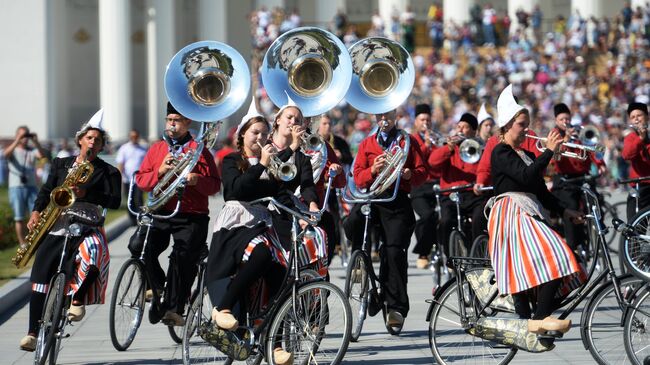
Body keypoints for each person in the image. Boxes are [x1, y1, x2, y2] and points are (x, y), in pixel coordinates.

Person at [206, 98, 320, 365]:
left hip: (260, 223)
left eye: (261, 132)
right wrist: (260, 165)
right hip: (237, 224)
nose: (258, 137)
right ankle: (222, 307)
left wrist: (306, 212)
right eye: (253, 132)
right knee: (260, 254)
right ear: (242, 134)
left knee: (281, 274)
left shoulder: (270, 162)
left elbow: (280, 192)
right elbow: (237, 190)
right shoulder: (232, 160)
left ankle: (276, 342)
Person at [19, 110, 121, 351]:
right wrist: (35, 212)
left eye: (98, 140)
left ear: (102, 146)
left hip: (87, 222)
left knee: (96, 252)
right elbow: (46, 190)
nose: (93, 142)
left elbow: (115, 201)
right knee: (41, 276)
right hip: (58, 223)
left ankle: (78, 299)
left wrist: (87, 194)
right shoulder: (60, 164)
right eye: (89, 138)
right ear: (80, 140)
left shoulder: (109, 171)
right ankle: (32, 333)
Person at [487, 85, 584, 334]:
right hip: (511, 213)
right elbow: (526, 176)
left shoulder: (527, 153)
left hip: (527, 211)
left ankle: (537, 318)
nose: (527, 130)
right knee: (556, 253)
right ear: (507, 125)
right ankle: (540, 318)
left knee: (562, 259)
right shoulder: (501, 151)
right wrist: (549, 152)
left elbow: (540, 190)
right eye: (521, 124)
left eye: (527, 124)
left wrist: (565, 211)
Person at [131, 102, 220, 326]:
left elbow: (215, 186)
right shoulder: (157, 149)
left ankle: (173, 309)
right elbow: (141, 181)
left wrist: (197, 180)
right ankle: (158, 286)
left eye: (176, 120)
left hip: (191, 214)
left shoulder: (200, 150)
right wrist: (160, 171)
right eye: (169, 120)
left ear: (187, 122)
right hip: (162, 211)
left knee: (182, 257)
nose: (171, 124)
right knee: (139, 246)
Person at [343, 108, 426, 332]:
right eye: (379, 115)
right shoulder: (367, 144)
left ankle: (396, 308)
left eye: (388, 115)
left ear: (396, 116)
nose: (383, 120)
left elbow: (422, 173)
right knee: (352, 222)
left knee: (393, 251)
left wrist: (409, 174)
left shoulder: (407, 141)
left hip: (396, 201)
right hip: (372, 198)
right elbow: (357, 178)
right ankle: (360, 259)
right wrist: (372, 170)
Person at [549, 103, 606, 251]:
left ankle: (598, 230)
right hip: (565, 181)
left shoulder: (580, 130)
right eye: (562, 119)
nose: (565, 122)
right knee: (572, 208)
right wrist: (566, 141)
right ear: (556, 121)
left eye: (567, 118)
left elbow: (593, 149)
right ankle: (574, 245)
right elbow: (555, 159)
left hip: (583, 177)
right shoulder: (554, 135)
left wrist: (600, 163)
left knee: (597, 202)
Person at [428, 113, 485, 254]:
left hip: (472, 194)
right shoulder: (448, 146)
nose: (460, 130)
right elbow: (432, 162)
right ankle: (449, 256)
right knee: (446, 221)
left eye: (465, 127)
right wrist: (448, 148)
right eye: (459, 126)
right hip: (450, 194)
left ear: (473, 131)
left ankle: (478, 252)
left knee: (479, 218)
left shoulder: (479, 148)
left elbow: (485, 169)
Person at [301, 114, 345, 264]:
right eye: (291, 118)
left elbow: (341, 181)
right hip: (284, 207)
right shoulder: (275, 144)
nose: (297, 122)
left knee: (327, 238)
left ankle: (321, 278)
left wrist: (335, 170)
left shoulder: (321, 145)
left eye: (304, 119)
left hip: (316, 206)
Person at [408, 103, 442, 269]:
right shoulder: (411, 139)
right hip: (418, 187)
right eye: (422, 120)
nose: (425, 123)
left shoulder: (437, 138)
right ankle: (423, 252)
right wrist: (426, 145)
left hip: (436, 184)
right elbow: (414, 159)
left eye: (428, 120)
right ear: (416, 122)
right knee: (427, 215)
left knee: (441, 217)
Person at [4, 126, 46, 247]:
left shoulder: (31, 151)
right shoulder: (14, 149)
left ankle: (35, 241)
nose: (25, 139)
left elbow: (42, 155)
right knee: (19, 217)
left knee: (37, 213)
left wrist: (36, 141)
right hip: (16, 186)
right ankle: (23, 243)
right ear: (17, 135)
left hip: (31, 186)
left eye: (26, 135)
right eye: (22, 135)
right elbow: (5, 154)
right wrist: (17, 140)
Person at [622, 102, 650, 219]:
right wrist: (640, 139)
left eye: (639, 115)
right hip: (640, 186)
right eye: (633, 117)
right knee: (634, 227)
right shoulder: (630, 137)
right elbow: (627, 155)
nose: (636, 119)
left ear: (647, 117)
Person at [115, 129, 147, 225]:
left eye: (136, 136)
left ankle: (140, 217)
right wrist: (119, 177)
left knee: (139, 198)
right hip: (127, 179)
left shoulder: (143, 149)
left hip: (139, 179)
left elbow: (146, 164)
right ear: (129, 137)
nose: (134, 138)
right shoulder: (124, 148)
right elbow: (121, 163)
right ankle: (132, 219)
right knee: (130, 199)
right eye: (132, 136)